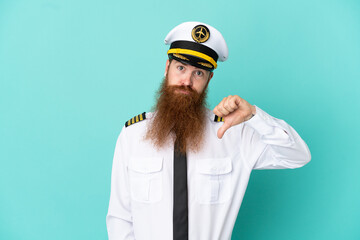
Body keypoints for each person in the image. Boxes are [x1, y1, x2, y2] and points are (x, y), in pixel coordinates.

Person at [106, 21, 311, 240]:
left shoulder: (232, 132)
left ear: (209, 79)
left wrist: (253, 115)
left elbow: (298, 156)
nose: (187, 81)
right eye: (181, 68)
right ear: (167, 68)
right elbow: (121, 217)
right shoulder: (132, 135)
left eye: (199, 73)